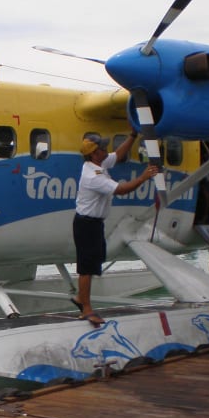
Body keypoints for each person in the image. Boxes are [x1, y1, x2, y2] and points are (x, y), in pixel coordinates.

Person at [72, 131, 159, 326]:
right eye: (102, 148)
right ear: (94, 154)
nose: (106, 150)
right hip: (86, 224)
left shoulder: (99, 164)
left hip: (93, 223)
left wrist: (133, 135)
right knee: (86, 268)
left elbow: (118, 155)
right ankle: (85, 308)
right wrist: (145, 176)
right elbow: (121, 190)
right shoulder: (93, 175)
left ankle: (81, 298)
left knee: (93, 263)